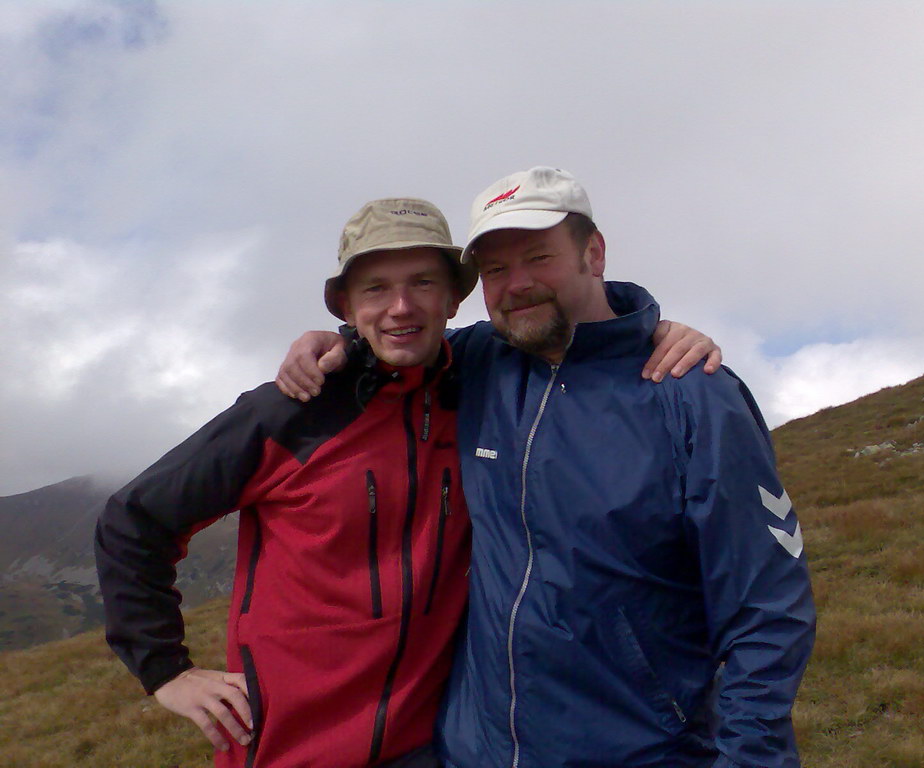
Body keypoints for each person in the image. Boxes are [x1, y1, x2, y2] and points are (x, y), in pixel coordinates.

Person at [95, 196, 718, 768]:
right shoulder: (293, 409)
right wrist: (165, 671)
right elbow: (135, 518)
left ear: (453, 299)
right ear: (346, 306)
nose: (401, 306)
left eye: (423, 282)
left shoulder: (484, 384)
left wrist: (652, 332)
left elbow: (573, 331)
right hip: (287, 749)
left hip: (435, 746)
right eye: (376, 288)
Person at [278, 167, 815, 768]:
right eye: (496, 270)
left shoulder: (692, 396)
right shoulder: (480, 361)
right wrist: (342, 342)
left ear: (594, 253)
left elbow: (767, 611)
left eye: (539, 257)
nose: (517, 285)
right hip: (472, 753)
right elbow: (402, 335)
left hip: (642, 750)